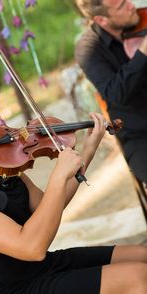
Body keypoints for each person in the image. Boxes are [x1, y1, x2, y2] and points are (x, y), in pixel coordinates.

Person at [0, 78, 147, 294]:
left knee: (143, 257)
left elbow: (48, 208)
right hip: (15, 288)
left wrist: (87, 151)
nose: (0, 119)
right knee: (139, 278)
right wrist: (57, 176)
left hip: (40, 268)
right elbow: (32, 246)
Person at [75, 0, 147, 185]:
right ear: (101, 19)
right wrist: (143, 51)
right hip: (140, 134)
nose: (131, 5)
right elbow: (115, 94)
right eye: (122, 5)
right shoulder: (88, 50)